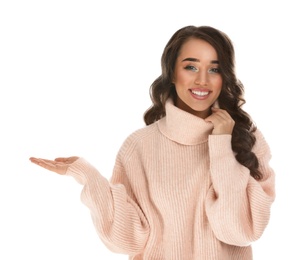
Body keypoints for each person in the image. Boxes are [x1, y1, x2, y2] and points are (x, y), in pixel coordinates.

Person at [30, 25, 275, 260]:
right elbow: (127, 239)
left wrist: (222, 143)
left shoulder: (245, 138)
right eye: (191, 67)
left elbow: (240, 232)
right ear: (171, 73)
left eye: (214, 69)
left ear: (226, 76)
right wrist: (87, 175)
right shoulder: (139, 146)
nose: (202, 80)